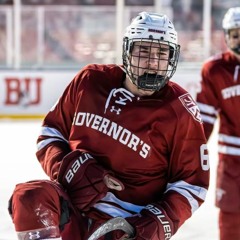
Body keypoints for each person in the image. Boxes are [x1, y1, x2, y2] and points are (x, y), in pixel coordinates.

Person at [9, 12, 210, 240]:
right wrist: (66, 167)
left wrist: (157, 221)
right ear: (127, 51)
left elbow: (193, 185)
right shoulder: (89, 81)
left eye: (162, 53)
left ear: (172, 57)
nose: (153, 62)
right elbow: (50, 134)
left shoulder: (179, 111)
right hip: (74, 208)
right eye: (143, 51)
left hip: (126, 226)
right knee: (31, 197)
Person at [196, 7, 240, 240]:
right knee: (231, 227)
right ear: (226, 36)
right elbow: (204, 119)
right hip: (232, 164)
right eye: (235, 34)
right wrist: (191, 155)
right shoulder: (214, 70)